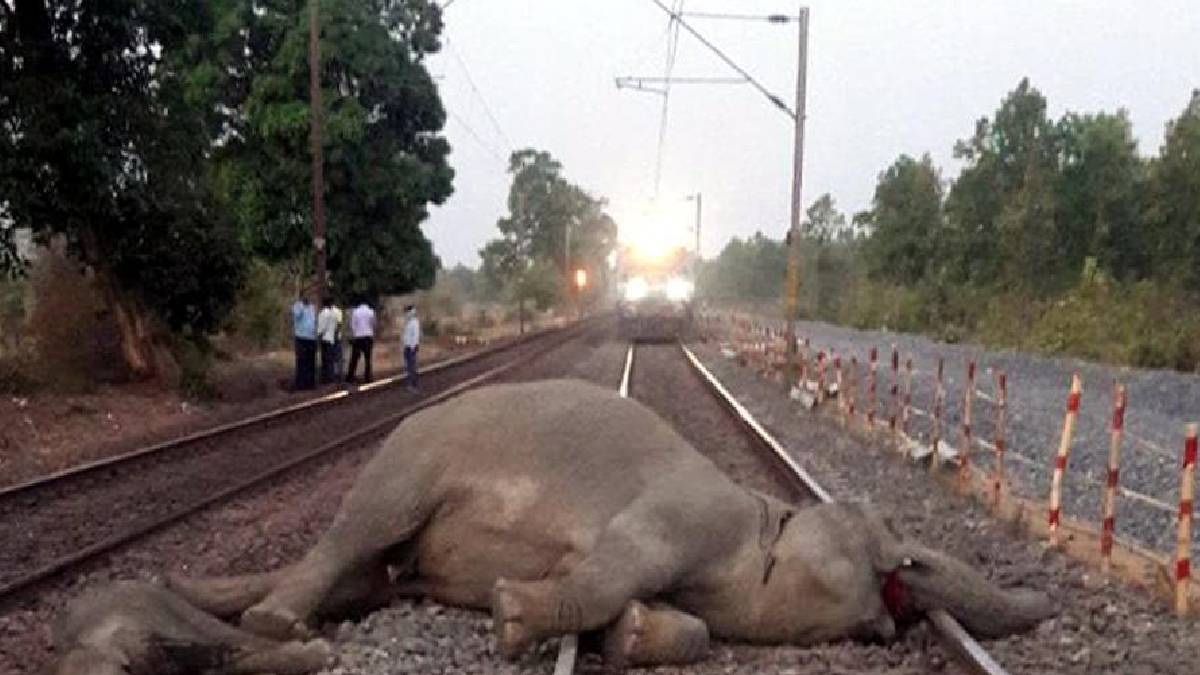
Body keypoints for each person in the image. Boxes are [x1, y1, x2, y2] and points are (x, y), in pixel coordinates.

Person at [346, 297, 376, 384]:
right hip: (368, 336)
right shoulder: (371, 312)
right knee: (368, 358)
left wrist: (355, 333)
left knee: (354, 358)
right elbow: (373, 324)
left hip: (358, 337)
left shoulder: (355, 312)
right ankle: (368, 377)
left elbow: (353, 325)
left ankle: (350, 377)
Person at [291, 290, 317, 390]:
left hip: (311, 338)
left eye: (310, 295)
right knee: (302, 361)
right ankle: (300, 383)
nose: (309, 297)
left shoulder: (312, 307)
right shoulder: (297, 306)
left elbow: (313, 321)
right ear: (302, 296)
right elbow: (297, 316)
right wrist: (302, 305)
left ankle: (310, 383)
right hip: (301, 337)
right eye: (306, 295)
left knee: (311, 361)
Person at [316, 297, 343, 384]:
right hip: (331, 338)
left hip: (325, 338)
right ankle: (331, 376)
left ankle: (327, 377)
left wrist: (318, 336)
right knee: (330, 359)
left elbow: (321, 328)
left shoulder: (323, 313)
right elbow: (337, 325)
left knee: (326, 359)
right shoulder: (333, 314)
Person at [402, 304, 421, 392]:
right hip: (407, 346)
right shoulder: (408, 322)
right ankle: (410, 383)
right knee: (409, 366)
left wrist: (413, 347)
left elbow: (415, 336)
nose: (406, 313)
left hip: (411, 347)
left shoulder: (414, 322)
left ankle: (413, 384)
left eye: (407, 311)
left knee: (411, 366)